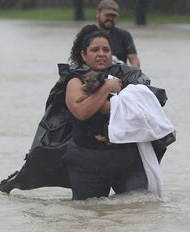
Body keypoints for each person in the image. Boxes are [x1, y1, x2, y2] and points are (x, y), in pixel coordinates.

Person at [63, 27, 149, 200]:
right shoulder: (75, 80)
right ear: (83, 55)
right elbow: (82, 112)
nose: (101, 54)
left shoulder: (130, 76)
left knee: (139, 209)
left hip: (127, 158)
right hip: (87, 160)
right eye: (95, 50)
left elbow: (146, 108)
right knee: (87, 215)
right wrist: (108, 88)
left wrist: (108, 106)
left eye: (106, 49)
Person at [94, 0, 141, 67]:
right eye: (107, 15)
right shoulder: (87, 34)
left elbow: (133, 59)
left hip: (118, 74)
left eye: (113, 16)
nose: (110, 19)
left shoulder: (124, 35)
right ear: (98, 14)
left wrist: (133, 73)